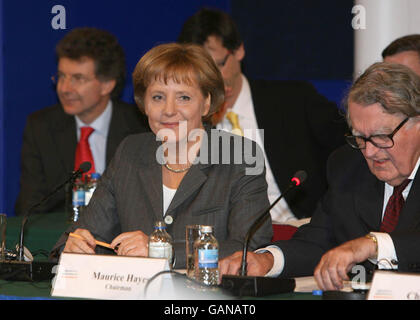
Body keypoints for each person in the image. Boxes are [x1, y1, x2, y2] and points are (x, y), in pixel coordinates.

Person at [50, 43, 273, 268]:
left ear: (206, 103)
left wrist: (162, 251)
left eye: (183, 97)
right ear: (144, 103)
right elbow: (85, 232)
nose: (168, 110)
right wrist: (74, 246)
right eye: (157, 97)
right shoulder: (130, 151)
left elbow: (249, 246)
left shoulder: (240, 156)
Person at [219, 62, 420, 291]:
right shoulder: (348, 165)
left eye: (382, 136)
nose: (370, 151)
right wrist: (267, 260)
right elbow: (319, 240)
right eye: (359, 137)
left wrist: (372, 244)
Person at [177, 8, 347, 222]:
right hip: (230, 239)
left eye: (218, 65)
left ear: (238, 50)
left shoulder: (294, 101)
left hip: (301, 229)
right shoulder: (188, 120)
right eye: (201, 71)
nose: (212, 78)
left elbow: (349, 149)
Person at [14, 27, 147, 216]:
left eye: (78, 78)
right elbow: (29, 207)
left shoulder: (139, 127)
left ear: (107, 84)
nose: (65, 88)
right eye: (61, 76)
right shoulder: (41, 127)